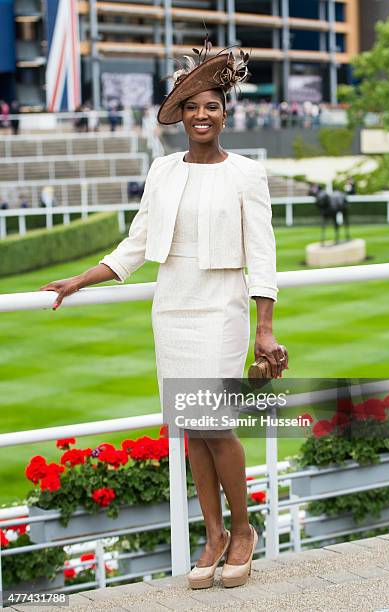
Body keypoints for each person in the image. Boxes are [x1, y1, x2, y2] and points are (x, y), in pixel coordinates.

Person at [39, 38, 288, 590]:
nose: (203, 115)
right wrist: (82, 278)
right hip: (171, 309)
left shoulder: (247, 174)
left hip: (221, 312)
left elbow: (263, 254)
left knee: (215, 425)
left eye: (212, 106)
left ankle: (243, 532)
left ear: (226, 113)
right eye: (193, 106)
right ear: (181, 116)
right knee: (191, 429)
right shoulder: (162, 171)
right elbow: (137, 243)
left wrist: (264, 328)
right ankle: (214, 535)